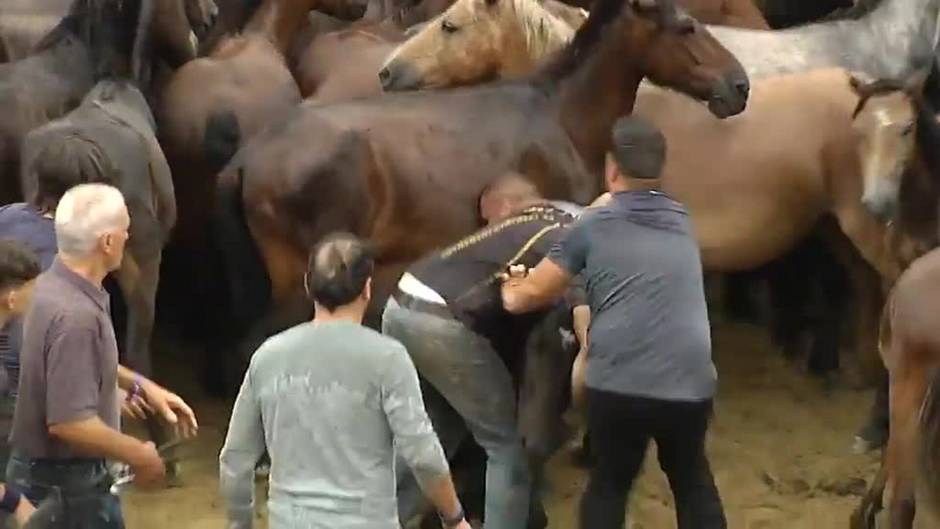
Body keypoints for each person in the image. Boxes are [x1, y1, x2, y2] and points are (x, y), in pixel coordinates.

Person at [500, 116, 727, 529]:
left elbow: (529, 296)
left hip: (621, 384)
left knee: (610, 482)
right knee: (692, 478)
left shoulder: (592, 226)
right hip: (691, 381)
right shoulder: (682, 220)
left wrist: (511, 285)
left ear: (611, 168)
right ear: (660, 170)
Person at [219, 233, 469, 529]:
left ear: (307, 286)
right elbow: (423, 454)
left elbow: (235, 460)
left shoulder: (268, 356)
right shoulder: (388, 358)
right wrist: (453, 517)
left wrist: (240, 524)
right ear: (367, 288)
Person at [383, 173, 580, 529]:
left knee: (438, 429)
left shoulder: (527, 224)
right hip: (444, 321)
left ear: (511, 205)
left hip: (400, 304)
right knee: (507, 446)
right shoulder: (568, 232)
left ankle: (376, 520)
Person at [7, 183, 198, 529]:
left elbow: (69, 359)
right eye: (125, 229)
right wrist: (138, 454)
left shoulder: (51, 285)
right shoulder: (77, 315)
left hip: (45, 476)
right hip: (68, 489)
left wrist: (142, 385)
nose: (129, 235)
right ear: (107, 242)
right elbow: (69, 422)